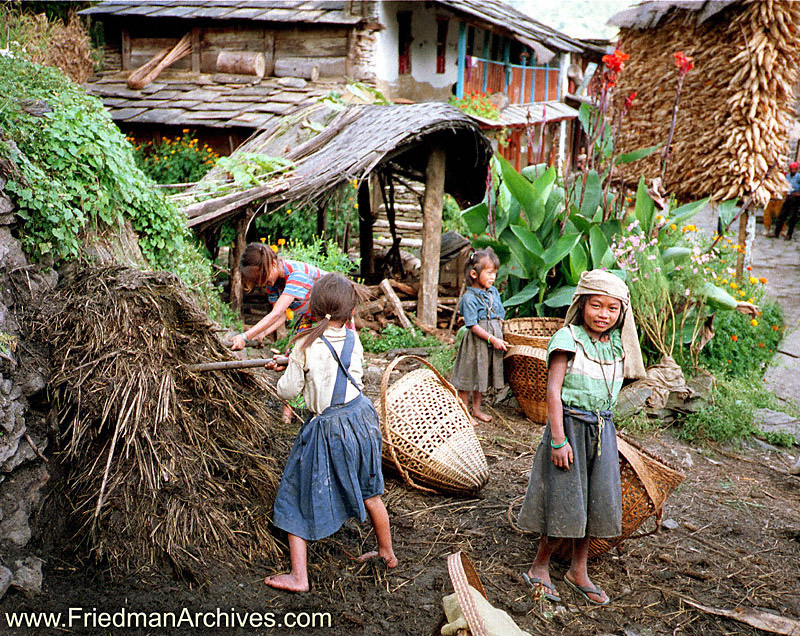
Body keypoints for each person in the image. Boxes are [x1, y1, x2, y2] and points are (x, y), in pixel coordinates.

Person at [517, 269, 646, 605]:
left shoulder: (618, 345)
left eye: (611, 309)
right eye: (596, 306)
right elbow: (553, 392)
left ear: (621, 313)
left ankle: (578, 570)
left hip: (602, 431)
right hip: (570, 428)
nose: (603, 314)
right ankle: (539, 566)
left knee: (593, 500)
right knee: (564, 498)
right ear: (581, 304)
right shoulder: (568, 339)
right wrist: (559, 440)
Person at [265, 273, 397, 592]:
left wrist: (287, 368)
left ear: (312, 306)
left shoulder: (303, 344)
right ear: (350, 311)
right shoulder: (353, 338)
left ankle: (299, 577)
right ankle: (387, 552)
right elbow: (348, 372)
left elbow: (288, 391)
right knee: (371, 492)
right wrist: (295, 363)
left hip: (329, 429)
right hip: (361, 420)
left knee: (295, 496)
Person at [230, 243, 326, 422]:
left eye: (263, 278)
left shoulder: (296, 275)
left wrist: (245, 336)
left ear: (272, 264)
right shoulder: (273, 284)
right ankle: (287, 416)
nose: (264, 284)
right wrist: (263, 332)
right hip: (309, 319)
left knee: (316, 362)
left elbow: (275, 313)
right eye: (259, 282)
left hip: (331, 318)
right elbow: (280, 316)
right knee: (293, 358)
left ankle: (321, 409)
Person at [450, 248, 509, 424]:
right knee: (469, 375)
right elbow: (473, 325)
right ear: (474, 274)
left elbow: (499, 314)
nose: (493, 277)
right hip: (476, 342)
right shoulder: (469, 298)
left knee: (481, 375)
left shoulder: (493, 293)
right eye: (489, 273)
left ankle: (476, 410)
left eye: (495, 273)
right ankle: (463, 412)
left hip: (491, 343)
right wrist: (492, 339)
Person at [772, 161, 800, 240]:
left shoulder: (798, 177)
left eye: (794, 169)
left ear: (797, 169)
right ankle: (776, 232)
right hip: (788, 196)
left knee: (792, 217)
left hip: (795, 198)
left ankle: (789, 234)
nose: (792, 170)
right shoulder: (787, 176)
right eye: (791, 169)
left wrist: (798, 193)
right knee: (782, 215)